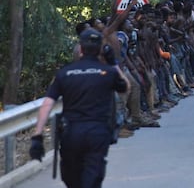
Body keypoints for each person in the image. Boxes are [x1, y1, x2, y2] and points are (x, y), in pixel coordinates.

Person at [29, 28, 130, 188]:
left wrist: (37, 136)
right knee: (92, 177)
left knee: (72, 179)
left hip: (71, 134)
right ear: (100, 50)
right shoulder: (108, 72)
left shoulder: (65, 73)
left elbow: (47, 104)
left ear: (81, 49)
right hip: (98, 133)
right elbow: (125, 88)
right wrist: (113, 63)